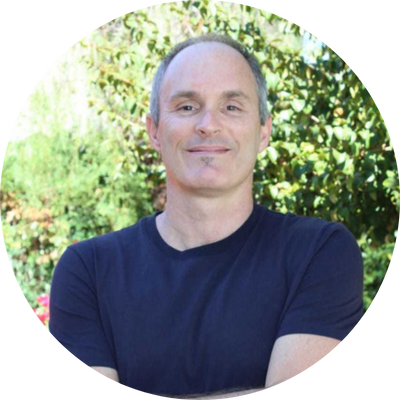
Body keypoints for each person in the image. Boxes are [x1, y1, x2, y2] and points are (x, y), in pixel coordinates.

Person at [48, 33, 364, 399]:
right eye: (186, 107)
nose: (208, 124)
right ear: (154, 131)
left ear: (264, 131)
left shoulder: (319, 252)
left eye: (232, 107)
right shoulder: (87, 270)